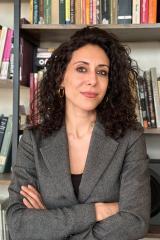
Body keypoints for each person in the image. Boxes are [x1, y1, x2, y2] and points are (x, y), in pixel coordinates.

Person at [7, 26, 150, 240]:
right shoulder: (33, 140)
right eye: (82, 69)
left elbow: (134, 222)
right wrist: (97, 210)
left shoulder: (129, 138)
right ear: (60, 78)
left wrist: (50, 222)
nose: (93, 80)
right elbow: (18, 224)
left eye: (102, 72)